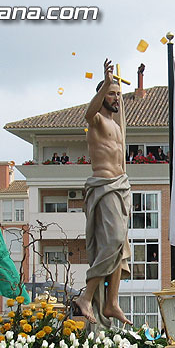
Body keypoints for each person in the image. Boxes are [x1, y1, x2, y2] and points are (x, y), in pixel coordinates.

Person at [74, 59, 132, 327]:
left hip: (121, 186)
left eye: (118, 94)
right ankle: (86, 297)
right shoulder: (96, 120)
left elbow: (121, 111)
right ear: (101, 95)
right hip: (104, 186)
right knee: (112, 241)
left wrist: (116, 86)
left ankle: (111, 302)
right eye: (112, 93)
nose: (116, 97)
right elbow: (88, 111)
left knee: (121, 248)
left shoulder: (118, 125)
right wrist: (105, 82)